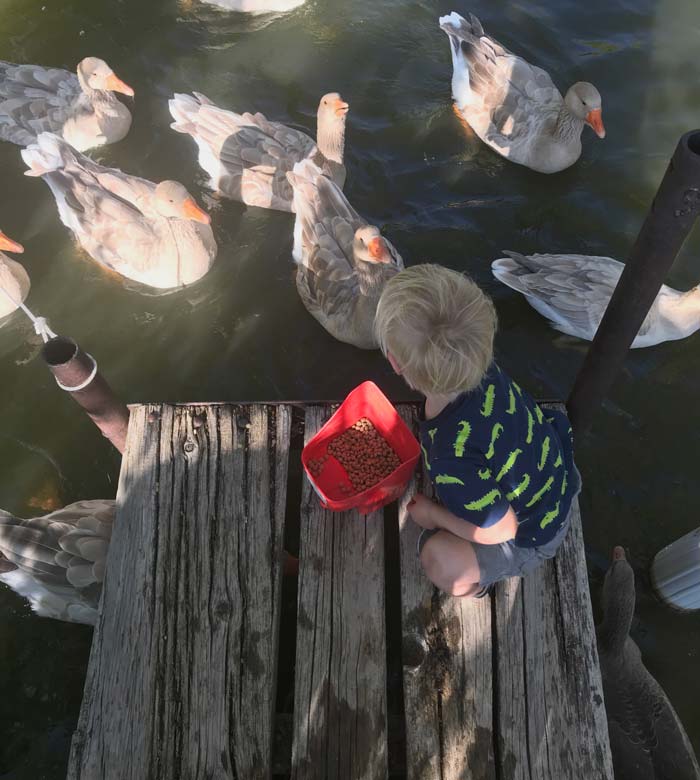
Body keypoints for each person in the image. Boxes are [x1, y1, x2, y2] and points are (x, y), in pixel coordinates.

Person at [374, 264, 580, 597]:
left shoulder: (450, 456)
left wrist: (435, 515)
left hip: (533, 532)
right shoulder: (479, 366)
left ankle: (476, 587)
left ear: (396, 364)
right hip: (553, 474)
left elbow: (503, 528)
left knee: (437, 560)